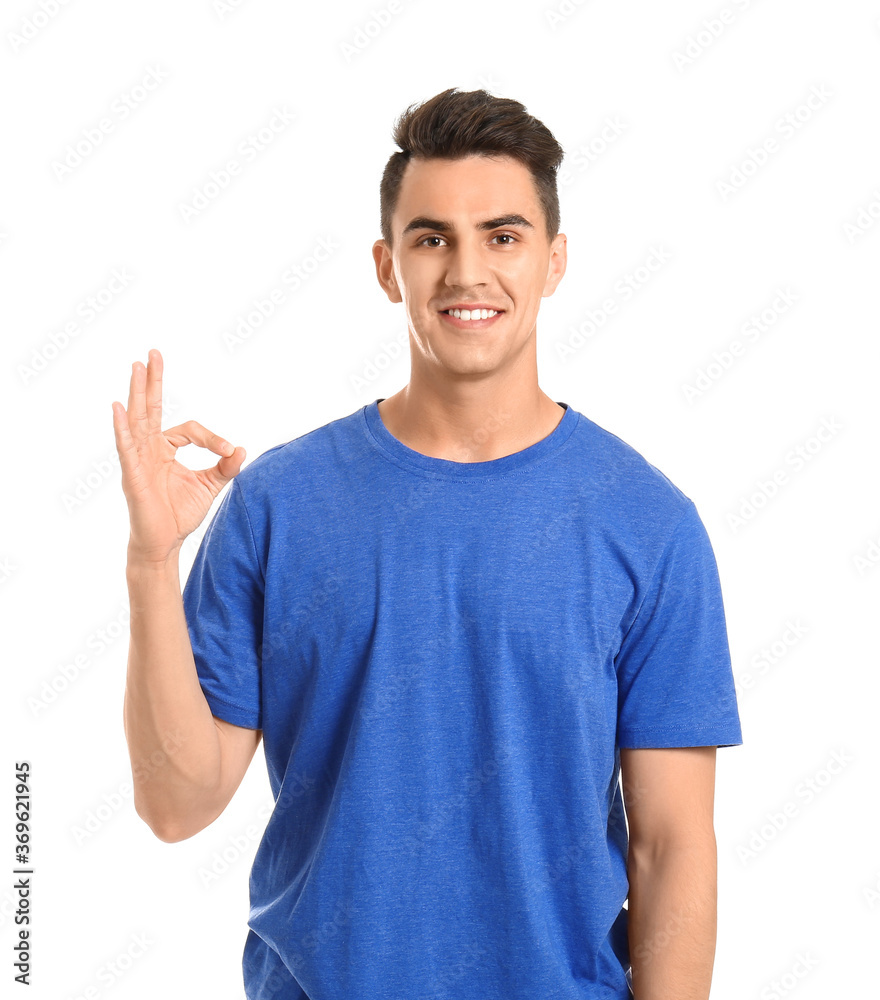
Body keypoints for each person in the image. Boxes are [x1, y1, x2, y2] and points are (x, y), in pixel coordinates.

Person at [113, 87, 742, 1000]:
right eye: (432, 237)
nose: (466, 272)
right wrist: (149, 561)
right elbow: (176, 804)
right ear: (387, 264)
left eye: (503, 235)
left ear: (554, 260)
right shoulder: (278, 505)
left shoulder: (648, 524)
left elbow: (671, 845)